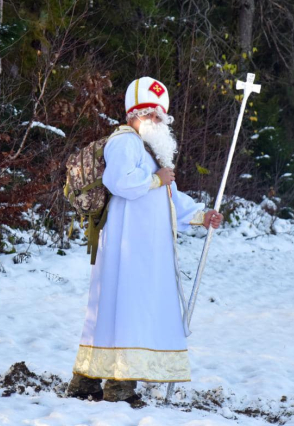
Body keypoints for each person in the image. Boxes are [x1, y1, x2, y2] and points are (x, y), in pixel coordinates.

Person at [65, 77, 223, 403]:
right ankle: (118, 386)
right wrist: (155, 179)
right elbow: (118, 180)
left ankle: (87, 382)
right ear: (136, 114)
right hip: (126, 246)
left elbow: (170, 199)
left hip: (144, 248)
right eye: (152, 115)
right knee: (123, 311)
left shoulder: (151, 151)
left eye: (160, 117)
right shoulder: (125, 142)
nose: (157, 122)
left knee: (120, 310)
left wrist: (200, 216)